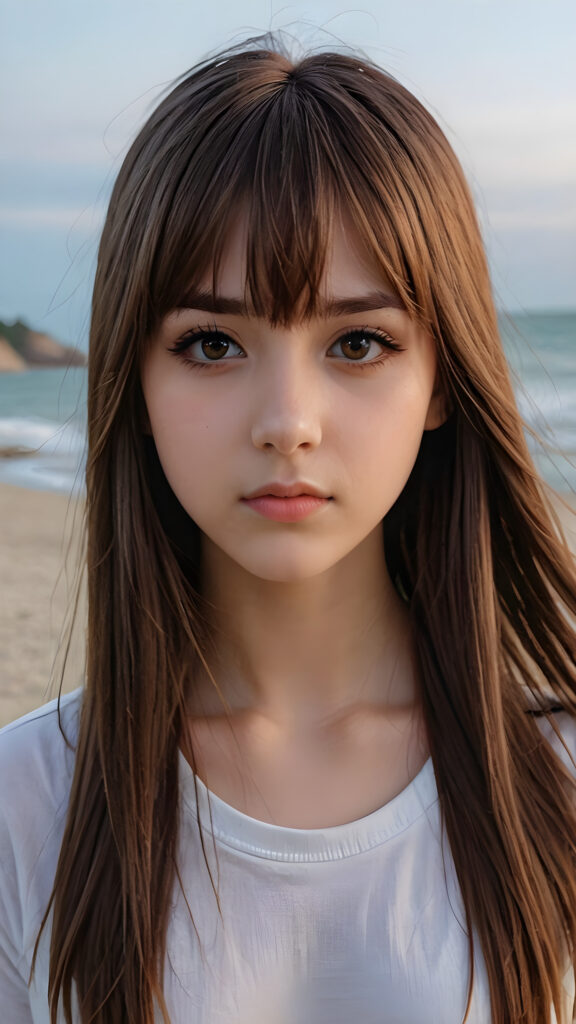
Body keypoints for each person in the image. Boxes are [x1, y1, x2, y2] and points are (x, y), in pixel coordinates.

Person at [1, 33, 576, 1024]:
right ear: (133, 383)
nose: (287, 421)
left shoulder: (558, 782)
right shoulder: (25, 805)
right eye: (211, 343)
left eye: (358, 342)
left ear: (442, 377)